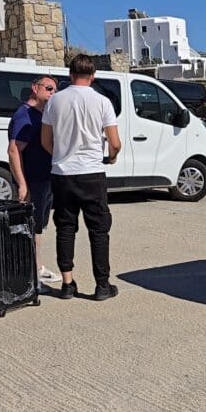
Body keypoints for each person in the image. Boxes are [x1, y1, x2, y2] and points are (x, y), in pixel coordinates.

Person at [40, 55, 121, 301]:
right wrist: (111, 156)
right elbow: (115, 142)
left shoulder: (55, 101)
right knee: (98, 230)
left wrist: (62, 155)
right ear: (93, 76)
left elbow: (45, 141)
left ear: (70, 74)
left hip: (62, 174)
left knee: (65, 228)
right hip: (92, 173)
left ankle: (67, 283)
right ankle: (102, 285)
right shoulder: (102, 102)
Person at [8, 75, 60, 286]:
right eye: (48, 88)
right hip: (33, 182)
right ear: (34, 88)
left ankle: (37, 267)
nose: (51, 93)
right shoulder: (24, 116)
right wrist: (22, 184)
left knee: (39, 226)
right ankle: (29, 276)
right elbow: (13, 151)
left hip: (44, 180)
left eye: (54, 90)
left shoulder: (41, 115)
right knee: (30, 227)